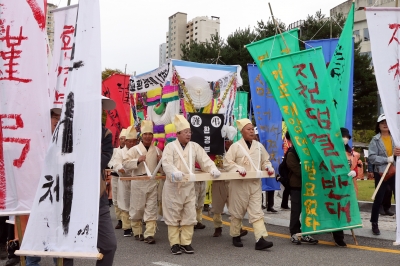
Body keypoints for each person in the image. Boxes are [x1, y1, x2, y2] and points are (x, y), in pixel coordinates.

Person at [161, 115, 221, 255]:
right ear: (178, 134)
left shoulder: (195, 147)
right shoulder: (170, 147)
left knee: (189, 214)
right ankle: (175, 243)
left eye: (190, 132)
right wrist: (174, 172)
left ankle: (186, 242)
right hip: (173, 187)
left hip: (189, 187)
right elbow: (166, 163)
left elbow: (204, 160)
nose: (188, 134)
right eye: (185, 132)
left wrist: (212, 168)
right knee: (173, 215)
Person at [223, 118, 274, 250]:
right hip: (239, 184)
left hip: (255, 184)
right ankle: (235, 234)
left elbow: (265, 160)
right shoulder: (235, 147)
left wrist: (268, 166)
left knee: (257, 211)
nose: (252, 132)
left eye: (252, 129)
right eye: (249, 129)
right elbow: (227, 162)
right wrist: (237, 168)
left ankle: (260, 239)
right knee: (237, 211)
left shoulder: (259, 146)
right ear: (242, 132)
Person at [123, 120, 162, 244]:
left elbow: (161, 169)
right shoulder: (134, 150)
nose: (148, 136)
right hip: (138, 180)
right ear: (142, 135)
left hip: (151, 181)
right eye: (145, 134)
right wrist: (138, 160)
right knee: (137, 208)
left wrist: (161, 161)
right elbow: (125, 164)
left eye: (150, 134)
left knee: (151, 208)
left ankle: (149, 234)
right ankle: (137, 231)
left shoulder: (156, 150)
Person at [282, 131, 319, 246]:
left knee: (308, 211)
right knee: (296, 210)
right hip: (296, 186)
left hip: (308, 186)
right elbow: (297, 171)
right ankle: (294, 233)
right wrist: (310, 173)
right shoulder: (291, 153)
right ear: (291, 140)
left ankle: (305, 233)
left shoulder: (306, 151)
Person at [368, 114, 399, 235]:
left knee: (398, 198)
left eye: (387, 122)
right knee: (378, 199)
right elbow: (371, 157)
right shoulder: (375, 140)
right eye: (382, 123)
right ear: (378, 125)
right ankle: (374, 223)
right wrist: (386, 159)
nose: (385, 125)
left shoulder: (396, 138)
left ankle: (399, 225)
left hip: (395, 172)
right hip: (381, 172)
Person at [211, 138, 248, 238]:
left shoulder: (235, 151)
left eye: (230, 140)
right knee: (217, 206)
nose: (228, 142)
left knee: (235, 206)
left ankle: (238, 228)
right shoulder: (216, 151)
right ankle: (217, 227)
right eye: (226, 140)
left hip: (232, 182)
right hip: (218, 181)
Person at [113, 126, 138, 237]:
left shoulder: (138, 151)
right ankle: (126, 227)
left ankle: (135, 226)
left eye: (134, 141)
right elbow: (116, 163)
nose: (132, 143)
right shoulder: (120, 152)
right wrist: (119, 168)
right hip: (124, 180)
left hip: (136, 180)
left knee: (135, 203)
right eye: (130, 141)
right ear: (126, 141)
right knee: (124, 203)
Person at [108, 128, 127, 229]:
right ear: (119, 140)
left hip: (125, 177)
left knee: (124, 198)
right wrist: (114, 167)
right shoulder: (115, 151)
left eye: (125, 138)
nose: (123, 140)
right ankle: (119, 220)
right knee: (115, 199)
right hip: (115, 177)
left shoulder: (129, 151)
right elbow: (110, 161)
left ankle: (127, 220)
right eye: (122, 139)